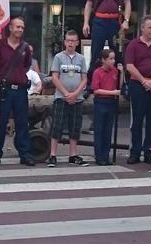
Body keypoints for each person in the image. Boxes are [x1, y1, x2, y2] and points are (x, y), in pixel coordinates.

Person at [0, 16, 35, 166]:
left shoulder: (26, 48)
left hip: (20, 91)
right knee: (0, 124)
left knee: (22, 124)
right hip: (4, 90)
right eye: (17, 27)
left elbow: (26, 66)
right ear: (10, 28)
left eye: (22, 27)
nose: (20, 30)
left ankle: (25, 155)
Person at [124, 17, 151, 164]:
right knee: (137, 120)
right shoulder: (133, 44)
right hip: (138, 85)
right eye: (150, 28)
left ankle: (150, 152)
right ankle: (135, 152)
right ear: (142, 28)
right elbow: (130, 66)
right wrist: (144, 81)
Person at [48, 30, 87, 167]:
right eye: (68, 40)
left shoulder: (81, 59)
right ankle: (53, 154)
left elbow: (84, 78)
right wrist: (66, 93)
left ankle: (73, 154)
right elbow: (54, 77)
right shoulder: (58, 57)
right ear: (65, 42)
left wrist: (75, 93)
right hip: (61, 97)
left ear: (77, 42)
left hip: (77, 98)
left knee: (75, 126)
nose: (70, 43)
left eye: (73, 41)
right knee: (57, 126)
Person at [89, 48, 121, 166]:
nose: (113, 61)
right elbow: (96, 90)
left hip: (111, 103)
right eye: (110, 59)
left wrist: (121, 73)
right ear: (103, 60)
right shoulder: (97, 72)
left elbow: (119, 85)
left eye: (113, 58)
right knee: (100, 130)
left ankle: (106, 156)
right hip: (101, 102)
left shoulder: (115, 71)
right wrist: (112, 92)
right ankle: (99, 156)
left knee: (108, 131)